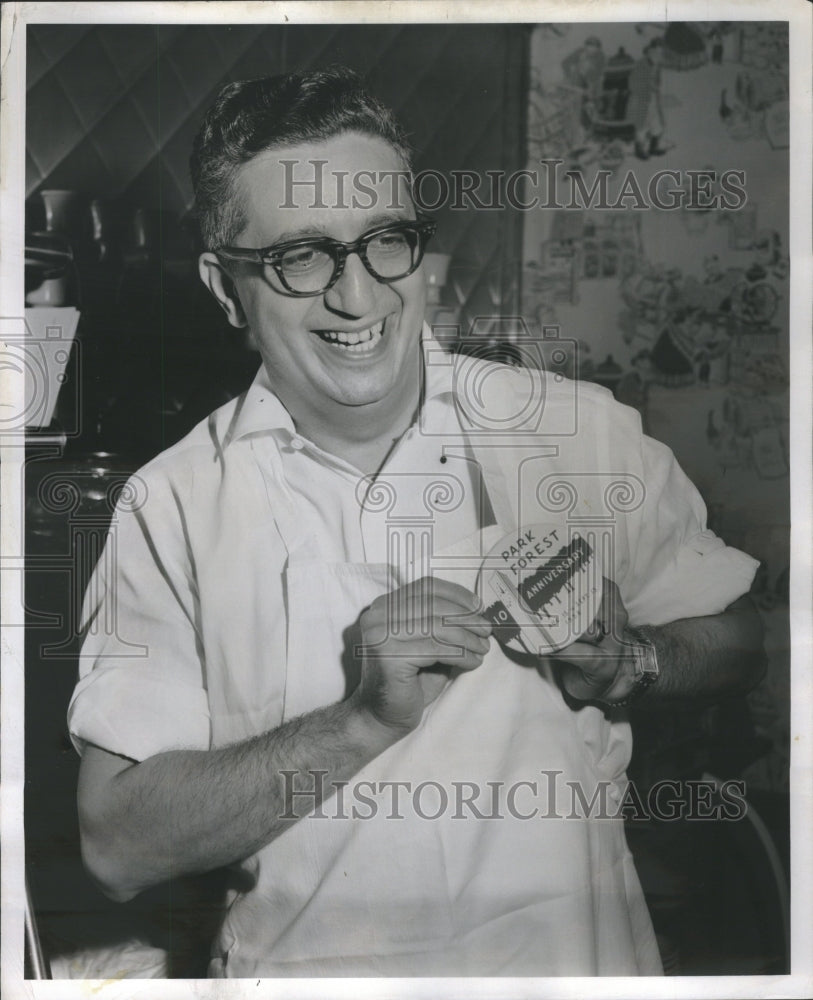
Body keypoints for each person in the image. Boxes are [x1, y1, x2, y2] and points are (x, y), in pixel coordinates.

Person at [69, 66, 765, 978]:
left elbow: (738, 635)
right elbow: (117, 848)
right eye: (300, 256)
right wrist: (356, 723)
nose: (357, 298)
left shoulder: (570, 429)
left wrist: (629, 661)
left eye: (383, 241)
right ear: (225, 286)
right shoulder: (170, 507)